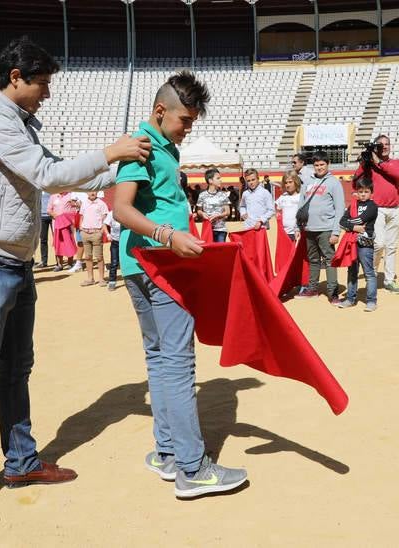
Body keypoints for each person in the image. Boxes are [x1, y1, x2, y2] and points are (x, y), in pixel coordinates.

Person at [0, 36, 151, 526]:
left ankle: (21, 463)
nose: (47, 93)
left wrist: (123, 166)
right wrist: (110, 151)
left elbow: (60, 173)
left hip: (13, 261)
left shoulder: (19, 122)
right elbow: (48, 177)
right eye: (42, 83)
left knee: (17, 369)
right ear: (16, 77)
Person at [113, 70, 248, 499]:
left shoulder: (160, 147)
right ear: (160, 111)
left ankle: (168, 453)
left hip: (142, 263)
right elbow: (121, 209)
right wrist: (169, 236)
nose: (188, 129)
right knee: (177, 362)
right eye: (184, 120)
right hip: (160, 265)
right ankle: (193, 467)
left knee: (159, 359)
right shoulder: (143, 146)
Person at [352, 134, 399, 294]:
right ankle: (372, 274)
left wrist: (377, 162)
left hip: (394, 209)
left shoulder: (395, 162)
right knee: (379, 243)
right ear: (376, 147)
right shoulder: (370, 166)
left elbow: (398, 174)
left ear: (390, 146)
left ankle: (389, 280)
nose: (384, 147)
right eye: (381, 145)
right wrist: (364, 163)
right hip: (377, 209)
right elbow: (355, 182)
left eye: (386, 144)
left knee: (391, 246)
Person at [296, 151, 345, 304]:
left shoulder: (334, 182)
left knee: (330, 260)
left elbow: (340, 208)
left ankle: (332, 292)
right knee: (313, 260)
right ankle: (313, 288)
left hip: (326, 228)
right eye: (316, 165)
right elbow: (301, 204)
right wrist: (299, 226)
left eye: (322, 164)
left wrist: (336, 231)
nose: (319, 168)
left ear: (327, 164)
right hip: (309, 228)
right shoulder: (308, 181)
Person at [336, 178, 379, 311]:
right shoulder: (353, 205)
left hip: (365, 245)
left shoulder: (373, 206)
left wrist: (349, 224)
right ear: (357, 192)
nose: (363, 194)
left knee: (369, 273)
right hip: (352, 242)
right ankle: (350, 298)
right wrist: (354, 227)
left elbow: (360, 219)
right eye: (360, 191)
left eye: (366, 191)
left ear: (371, 193)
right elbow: (341, 221)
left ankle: (371, 301)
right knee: (352, 271)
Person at [78, 191, 109, 287]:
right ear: (87, 193)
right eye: (90, 191)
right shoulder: (84, 203)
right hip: (85, 232)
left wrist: (100, 231)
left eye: (94, 191)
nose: (92, 193)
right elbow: (82, 216)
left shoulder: (101, 204)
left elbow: (105, 219)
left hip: (96, 233)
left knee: (99, 257)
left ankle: (101, 279)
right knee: (88, 257)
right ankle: (90, 278)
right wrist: (81, 227)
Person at [47, 190, 79, 271]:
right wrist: (57, 217)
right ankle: (60, 264)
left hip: (69, 223)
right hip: (57, 223)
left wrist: (74, 204)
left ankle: (70, 263)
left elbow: (77, 207)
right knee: (58, 243)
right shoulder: (53, 196)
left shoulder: (70, 195)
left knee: (69, 241)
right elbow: (49, 210)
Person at [196, 168, 230, 242]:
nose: (220, 180)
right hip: (207, 229)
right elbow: (199, 211)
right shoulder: (202, 195)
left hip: (221, 229)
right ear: (210, 181)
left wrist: (218, 216)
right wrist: (202, 214)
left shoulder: (223, 195)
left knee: (220, 252)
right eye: (218, 178)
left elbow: (227, 212)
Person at [275, 170, 302, 241]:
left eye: (290, 182)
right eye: (286, 183)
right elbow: (278, 212)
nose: (288, 185)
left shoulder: (301, 197)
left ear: (296, 182)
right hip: (284, 232)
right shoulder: (282, 197)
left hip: (297, 232)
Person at [103, 210, 122, 291]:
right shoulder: (111, 213)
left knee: (127, 261)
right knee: (114, 262)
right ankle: (112, 281)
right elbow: (104, 224)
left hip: (126, 241)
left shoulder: (126, 212)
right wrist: (107, 234)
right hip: (115, 241)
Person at [36, 191, 51, 268]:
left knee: (57, 240)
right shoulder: (38, 189)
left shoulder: (51, 188)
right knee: (43, 240)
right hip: (42, 217)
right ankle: (44, 261)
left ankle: (59, 262)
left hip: (52, 216)